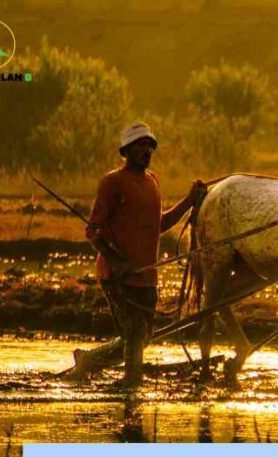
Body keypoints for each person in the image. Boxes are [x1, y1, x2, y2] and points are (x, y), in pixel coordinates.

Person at [86, 122, 205, 386]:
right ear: (126, 151)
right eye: (140, 145)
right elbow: (93, 231)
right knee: (134, 336)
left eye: (149, 145)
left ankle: (89, 362)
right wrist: (117, 261)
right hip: (117, 277)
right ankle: (131, 389)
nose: (146, 150)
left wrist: (189, 200)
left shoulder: (153, 182)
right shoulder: (112, 182)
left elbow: (159, 224)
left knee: (140, 338)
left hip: (146, 277)